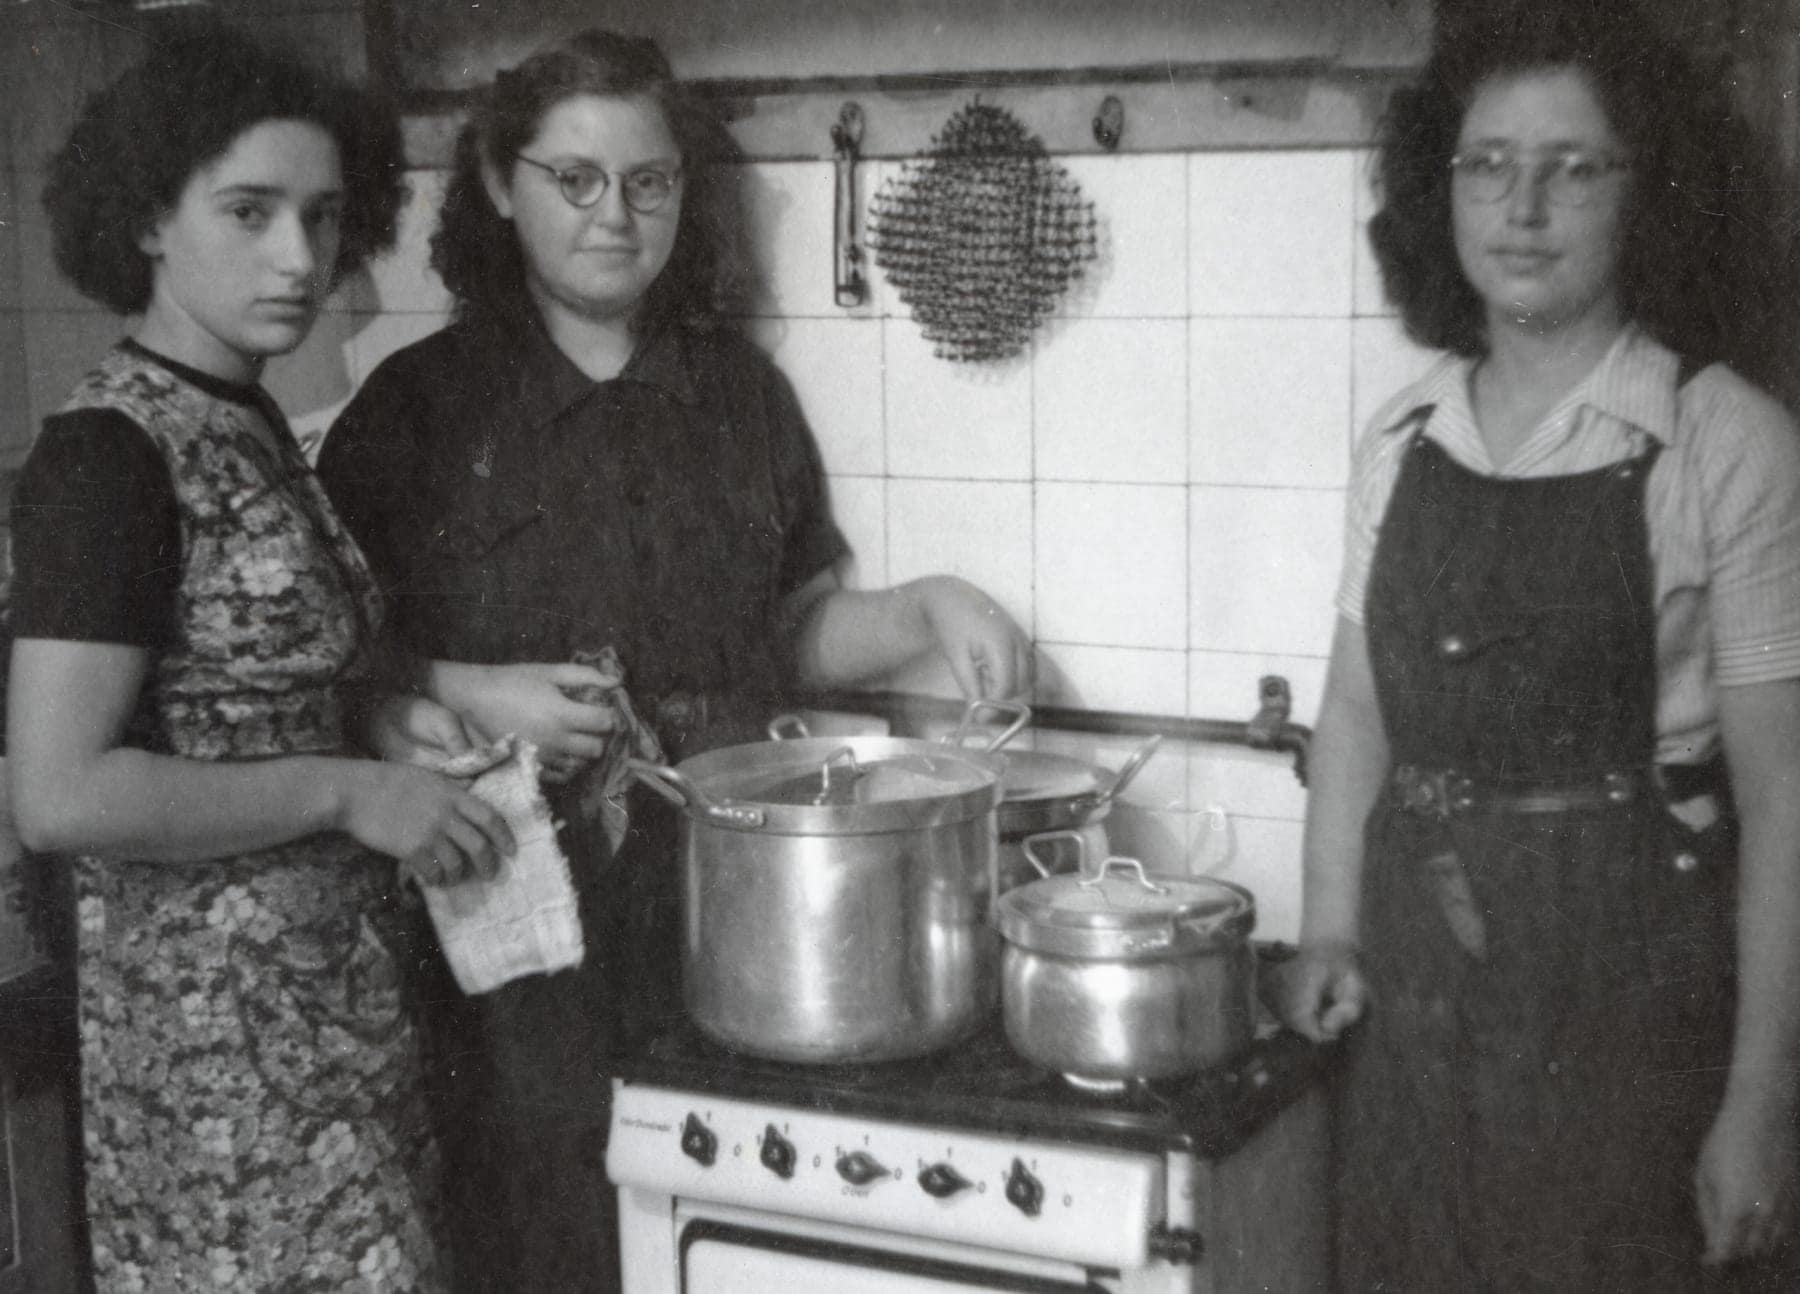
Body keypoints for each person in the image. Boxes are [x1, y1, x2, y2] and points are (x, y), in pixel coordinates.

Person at [316, 29, 1033, 1294]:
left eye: (648, 182)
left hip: (730, 925)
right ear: (499, 182)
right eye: (575, 180)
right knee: (541, 1235)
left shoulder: (738, 397)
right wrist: (443, 695)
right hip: (505, 941)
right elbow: (333, 678)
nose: (615, 216)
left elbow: (786, 641)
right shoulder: (413, 411)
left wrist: (929, 605)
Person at [1272, 2, 1800, 1288]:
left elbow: (1787, 797)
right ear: (1438, 192)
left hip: (1631, 1026)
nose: (1524, 206)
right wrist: (1329, 929)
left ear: (1646, 193)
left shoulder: (1721, 439)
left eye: (1574, 168)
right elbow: (1353, 714)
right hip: (1418, 1017)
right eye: (1489, 164)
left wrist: (1759, 1104)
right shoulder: (1402, 439)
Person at [9, 21, 519, 1292]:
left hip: (329, 1046)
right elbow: (60, 791)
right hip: (211, 1091)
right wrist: (354, 789)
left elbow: (249, 695)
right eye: (249, 213)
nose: (300, 258)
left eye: (323, 215)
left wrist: (386, 727)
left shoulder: (247, 422)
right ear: (145, 222)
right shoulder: (107, 456)